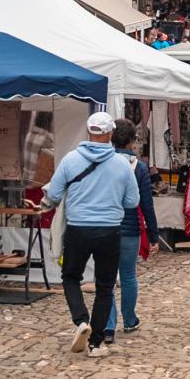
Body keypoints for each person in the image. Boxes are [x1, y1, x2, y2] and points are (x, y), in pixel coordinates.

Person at [39, 111, 139, 358]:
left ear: (89, 131)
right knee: (105, 286)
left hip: (78, 228)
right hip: (109, 231)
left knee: (71, 276)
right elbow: (132, 201)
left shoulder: (70, 160)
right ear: (110, 134)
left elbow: (53, 194)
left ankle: (81, 320)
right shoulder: (122, 164)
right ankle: (96, 344)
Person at [105, 121, 157, 338]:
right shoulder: (139, 167)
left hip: (106, 226)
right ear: (131, 141)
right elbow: (146, 203)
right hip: (130, 227)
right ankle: (129, 319)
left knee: (106, 278)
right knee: (128, 275)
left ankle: (108, 325)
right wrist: (153, 235)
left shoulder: (103, 162)